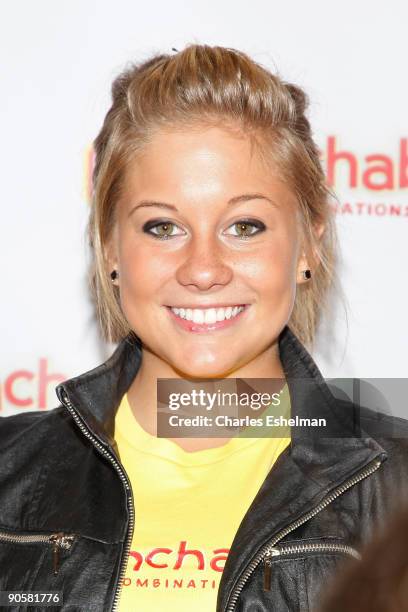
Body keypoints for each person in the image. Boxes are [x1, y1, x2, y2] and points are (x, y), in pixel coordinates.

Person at [1, 44, 408, 612]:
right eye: (163, 227)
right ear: (111, 246)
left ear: (308, 243)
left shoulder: (399, 492)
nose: (203, 270)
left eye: (245, 226)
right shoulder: (8, 472)